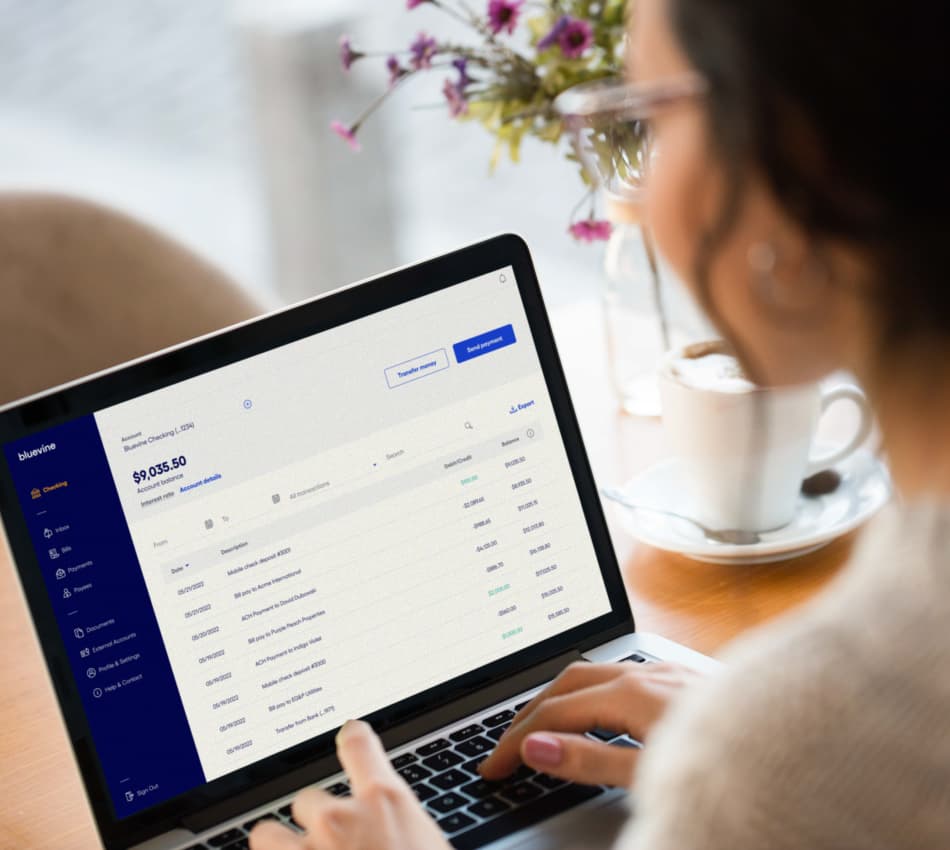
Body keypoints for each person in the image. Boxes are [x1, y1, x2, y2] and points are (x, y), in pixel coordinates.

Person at [250, 0, 950, 847]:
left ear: (794, 162)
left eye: (649, 115)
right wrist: (752, 735)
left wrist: (759, 759)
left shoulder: (791, 762)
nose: (637, 200)